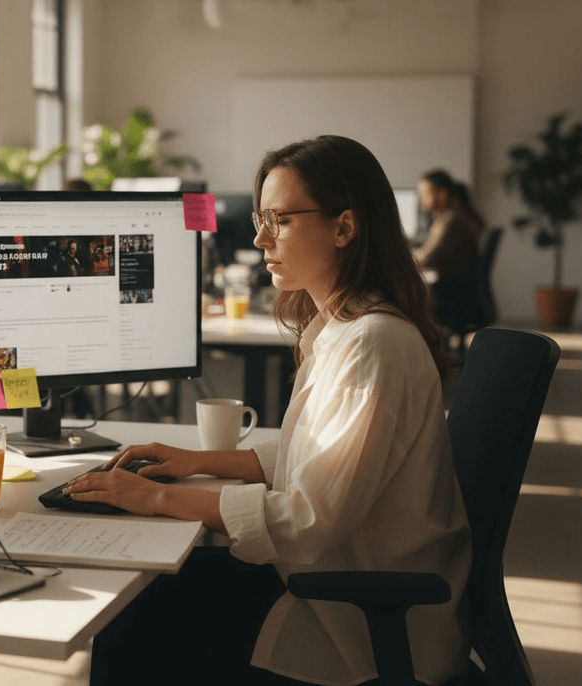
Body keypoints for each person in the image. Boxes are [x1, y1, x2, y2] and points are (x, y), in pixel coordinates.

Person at [67, 136, 472, 685]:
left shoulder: (372, 343)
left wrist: (155, 497)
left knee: (135, 614)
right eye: (262, 219)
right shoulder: (344, 326)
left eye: (279, 220)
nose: (260, 238)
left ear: (344, 227)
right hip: (335, 581)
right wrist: (194, 461)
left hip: (356, 618)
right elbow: (314, 452)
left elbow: (307, 520)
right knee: (153, 588)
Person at [416, 170, 481, 333]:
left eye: (425, 193)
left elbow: (426, 258)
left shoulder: (451, 221)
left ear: (442, 193)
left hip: (450, 294)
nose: (421, 198)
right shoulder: (449, 218)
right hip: (456, 289)